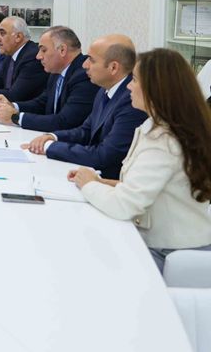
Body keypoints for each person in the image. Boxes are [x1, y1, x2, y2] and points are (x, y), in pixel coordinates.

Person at [68, 49, 211, 273]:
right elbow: (149, 188)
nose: (128, 87)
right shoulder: (162, 128)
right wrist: (101, 182)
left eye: (134, 80)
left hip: (170, 253)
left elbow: (124, 205)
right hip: (166, 244)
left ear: (155, 88)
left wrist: (88, 185)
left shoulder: (164, 141)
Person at [23, 34, 148, 179]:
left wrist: (49, 147)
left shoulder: (132, 101)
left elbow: (104, 155)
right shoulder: (104, 89)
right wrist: (53, 137)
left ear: (113, 67)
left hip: (110, 182)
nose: (84, 65)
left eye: (91, 60)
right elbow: (86, 131)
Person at [0, 26, 98, 132]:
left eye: (43, 50)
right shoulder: (57, 71)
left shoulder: (84, 76)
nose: (38, 56)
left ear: (62, 50)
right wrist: (12, 105)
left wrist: (16, 117)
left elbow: (65, 122)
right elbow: (42, 103)